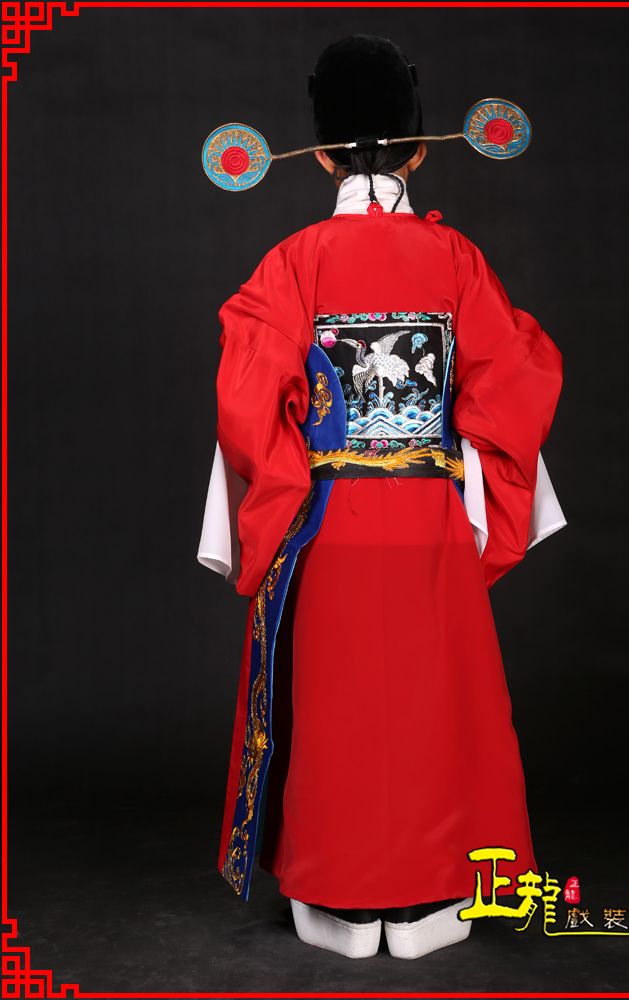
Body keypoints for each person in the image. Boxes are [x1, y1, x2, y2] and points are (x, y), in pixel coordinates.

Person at [198, 34, 564, 960]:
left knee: (341, 714)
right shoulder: (456, 260)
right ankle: (436, 901)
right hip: (433, 520)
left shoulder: (292, 264)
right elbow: (515, 379)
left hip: (330, 525)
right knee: (440, 709)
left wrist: (287, 496)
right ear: (418, 150)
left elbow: (249, 403)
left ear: (320, 155)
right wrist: (468, 491)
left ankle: (344, 908)